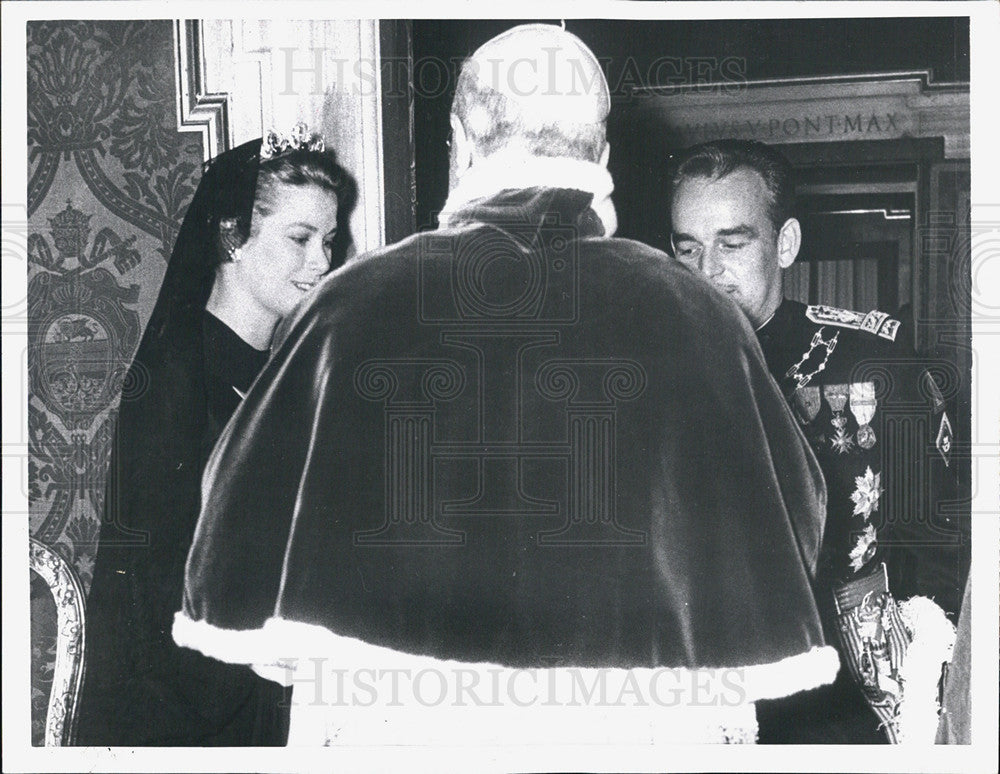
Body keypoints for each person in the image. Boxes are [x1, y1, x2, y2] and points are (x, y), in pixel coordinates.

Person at [172, 25, 838, 745]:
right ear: (604, 156)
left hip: (404, 731)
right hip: (633, 734)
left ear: (459, 141)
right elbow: (797, 514)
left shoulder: (345, 306)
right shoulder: (700, 316)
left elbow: (233, 519)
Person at [666, 139, 968, 743]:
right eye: (688, 248)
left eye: (732, 244)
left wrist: (914, 659)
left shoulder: (872, 359)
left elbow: (939, 532)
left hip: (844, 681)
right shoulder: (652, 369)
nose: (706, 272)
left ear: (786, 244)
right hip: (704, 674)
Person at [75, 126, 357, 746]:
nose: (322, 262)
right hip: (184, 709)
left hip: (278, 689)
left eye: (329, 241)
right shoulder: (176, 375)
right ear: (232, 238)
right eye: (300, 239)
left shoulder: (290, 374)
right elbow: (153, 578)